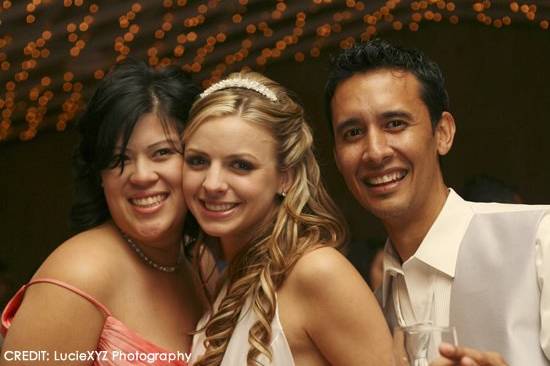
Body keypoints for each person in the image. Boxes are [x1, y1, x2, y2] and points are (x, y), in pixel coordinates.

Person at [324, 38, 550, 366]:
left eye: (395, 124)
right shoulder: (368, 312)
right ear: (337, 157)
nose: (375, 151)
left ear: (442, 133)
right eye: (353, 133)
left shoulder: (537, 239)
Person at [182, 71, 394, 365]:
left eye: (241, 165)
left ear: (286, 178)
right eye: (198, 161)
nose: (212, 183)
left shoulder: (317, 273)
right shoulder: (224, 280)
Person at [0, 60, 204, 365]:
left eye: (162, 153)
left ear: (197, 160)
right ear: (100, 176)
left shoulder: (197, 266)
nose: (141, 176)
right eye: (119, 159)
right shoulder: (79, 274)